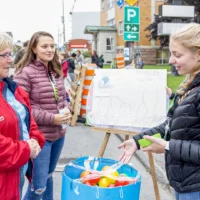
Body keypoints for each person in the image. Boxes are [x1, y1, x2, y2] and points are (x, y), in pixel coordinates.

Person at [118, 23, 200, 200]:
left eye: (177, 55)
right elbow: (171, 125)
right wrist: (138, 141)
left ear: (198, 54)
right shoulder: (190, 86)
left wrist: (167, 146)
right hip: (185, 183)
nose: (170, 60)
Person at [14, 31, 71, 200]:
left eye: (52, 46)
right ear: (34, 48)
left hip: (58, 135)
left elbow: (62, 98)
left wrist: (66, 108)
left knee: (48, 176)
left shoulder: (54, 70)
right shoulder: (25, 73)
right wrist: (52, 118)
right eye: (44, 46)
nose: (50, 50)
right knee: (38, 186)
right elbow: (23, 108)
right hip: (39, 138)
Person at [0, 33, 45, 199]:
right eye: (4, 55)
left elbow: (28, 122)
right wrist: (26, 149)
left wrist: (35, 140)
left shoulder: (13, 89)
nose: (11, 60)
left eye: (10, 54)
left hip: (14, 181)